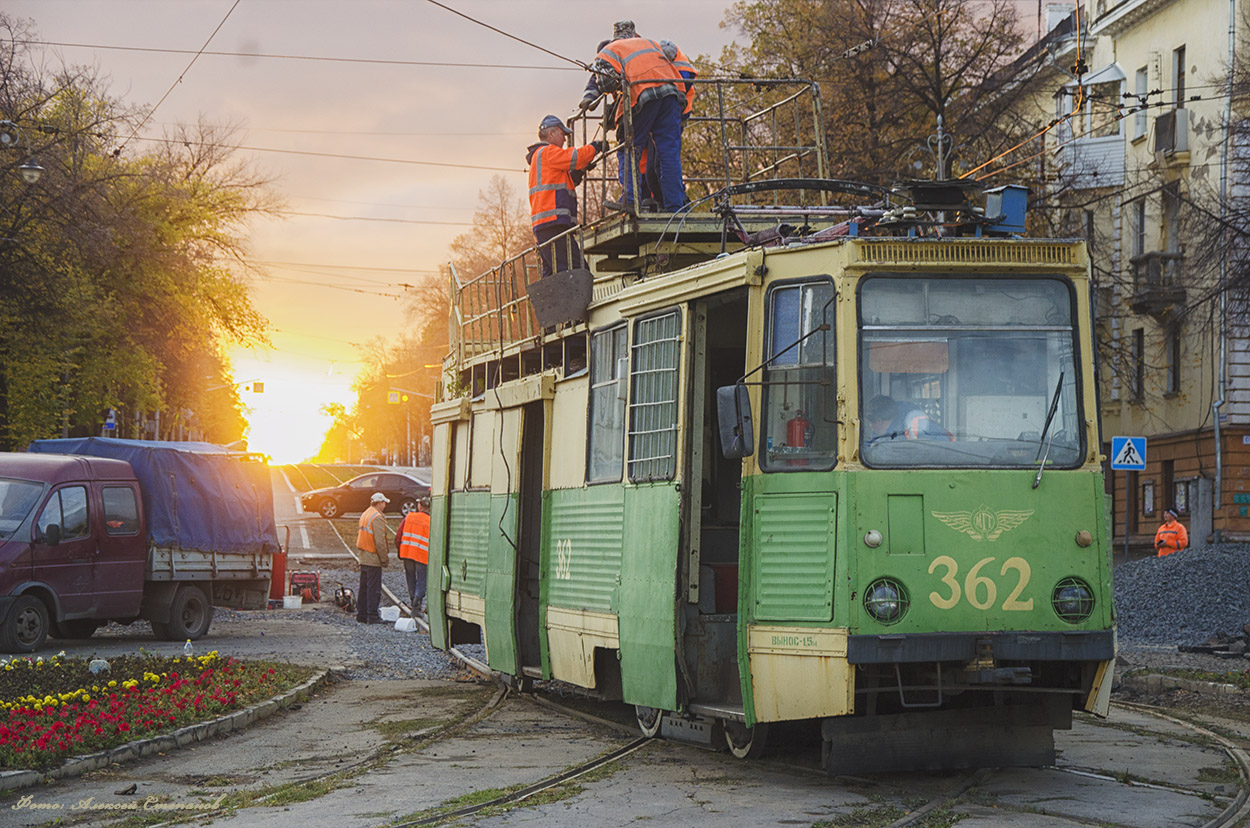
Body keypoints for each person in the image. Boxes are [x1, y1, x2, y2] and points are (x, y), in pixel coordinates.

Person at [580, 20, 689, 212]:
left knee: (628, 147)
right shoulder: (651, 43)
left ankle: (630, 199)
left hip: (643, 96)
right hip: (672, 95)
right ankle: (675, 205)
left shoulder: (611, 49)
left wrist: (589, 100)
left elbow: (603, 83)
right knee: (668, 154)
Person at [526, 115, 607, 277]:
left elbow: (565, 182)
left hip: (547, 225)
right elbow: (576, 157)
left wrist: (580, 171)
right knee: (576, 271)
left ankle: (548, 302)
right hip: (553, 225)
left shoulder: (541, 157)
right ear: (551, 133)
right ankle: (573, 301)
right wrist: (595, 147)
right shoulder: (547, 152)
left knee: (553, 274)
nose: (564, 139)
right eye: (562, 134)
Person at [355, 492, 390, 624]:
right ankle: (372, 616)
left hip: (364, 556)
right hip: (373, 556)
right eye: (384, 503)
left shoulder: (366, 513)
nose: (385, 505)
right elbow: (379, 541)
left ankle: (362, 614)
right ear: (380, 503)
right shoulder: (377, 517)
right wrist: (384, 559)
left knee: (363, 587)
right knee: (374, 588)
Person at [396, 496, 431, 616]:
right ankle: (417, 602)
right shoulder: (431, 521)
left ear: (420, 506)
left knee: (410, 578)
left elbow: (398, 536)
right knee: (422, 580)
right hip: (422, 556)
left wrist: (400, 552)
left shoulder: (409, 517)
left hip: (407, 554)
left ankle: (413, 601)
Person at [863, 395, 944, 444]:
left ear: (880, 422)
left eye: (872, 422)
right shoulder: (886, 431)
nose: (871, 426)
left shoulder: (916, 425)